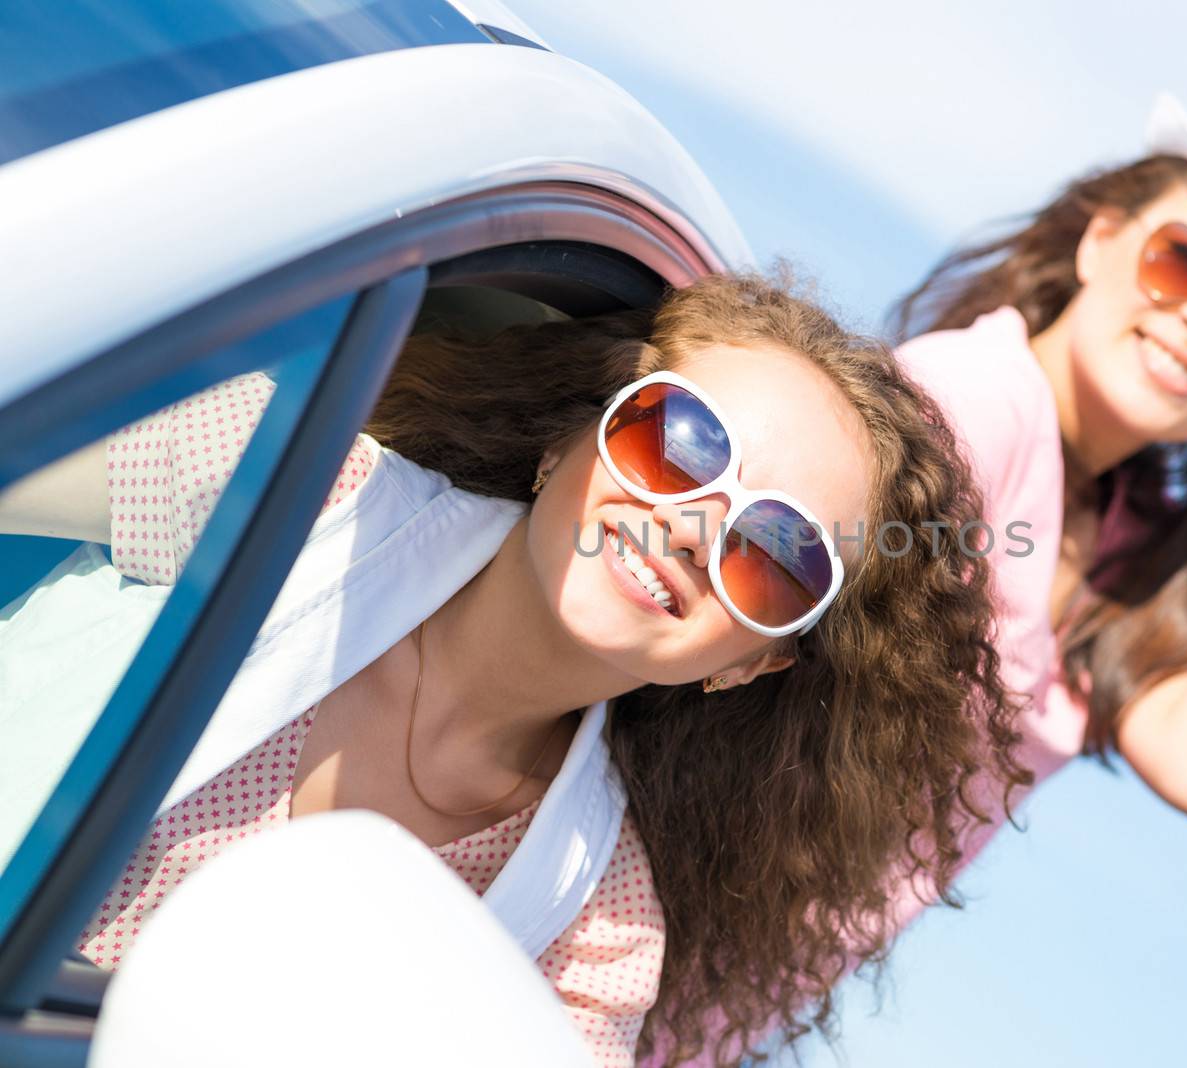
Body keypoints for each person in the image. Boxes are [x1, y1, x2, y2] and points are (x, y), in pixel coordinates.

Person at [0, 273, 1025, 1067]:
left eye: (773, 551)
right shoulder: (291, 488)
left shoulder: (599, 930)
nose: (690, 525)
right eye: (677, 444)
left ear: (752, 662)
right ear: (570, 439)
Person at [654, 69, 1187, 1068]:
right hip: (578, 963)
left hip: (677, 1027)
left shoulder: (1114, 550)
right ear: (1101, 238)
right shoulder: (969, 409)